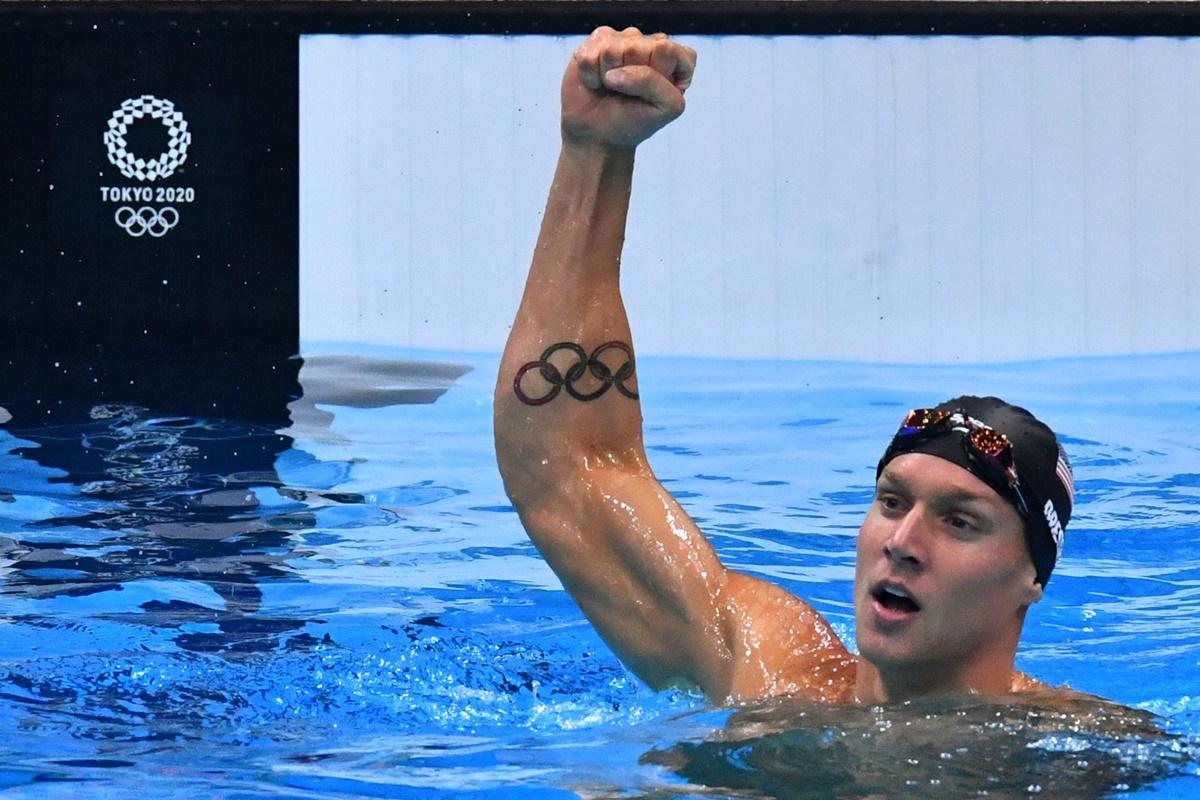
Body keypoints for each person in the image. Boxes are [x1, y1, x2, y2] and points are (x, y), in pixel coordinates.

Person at [493, 26, 1077, 706]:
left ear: (1032, 575)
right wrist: (596, 153)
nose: (903, 542)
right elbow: (566, 465)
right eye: (891, 503)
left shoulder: (1081, 751)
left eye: (960, 521)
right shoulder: (770, 670)